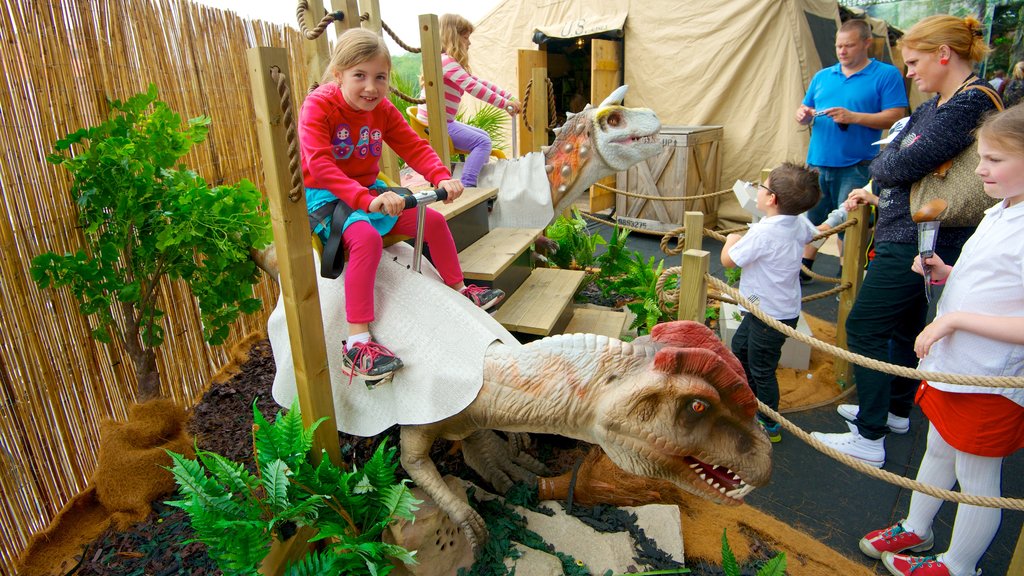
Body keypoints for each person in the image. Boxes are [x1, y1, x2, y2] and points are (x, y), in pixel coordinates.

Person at [811, 15, 1002, 467]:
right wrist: (893, 159)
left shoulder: (966, 105)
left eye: (914, 62)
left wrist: (889, 162)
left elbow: (891, 163)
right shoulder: (941, 102)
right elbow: (898, 150)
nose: (909, 73)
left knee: (865, 327)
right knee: (902, 326)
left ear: (944, 55)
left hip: (919, 236)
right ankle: (894, 408)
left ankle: (868, 436)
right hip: (913, 231)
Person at [858, 104, 1024, 576]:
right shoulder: (1001, 210)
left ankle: (960, 563)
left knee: (976, 478)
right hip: (957, 367)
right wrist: (948, 274)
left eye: (995, 160)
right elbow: (995, 284)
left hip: (989, 377)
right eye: (982, 157)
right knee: (938, 449)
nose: (980, 168)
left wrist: (952, 321)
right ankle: (918, 525)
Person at [299, 28, 504, 381]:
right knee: (365, 239)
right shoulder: (319, 105)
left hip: (369, 191)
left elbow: (413, 145)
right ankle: (357, 342)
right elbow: (320, 164)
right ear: (338, 75)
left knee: (434, 222)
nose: (371, 87)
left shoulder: (381, 108)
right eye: (359, 76)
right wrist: (367, 199)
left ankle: (460, 289)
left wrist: (440, 176)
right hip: (327, 194)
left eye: (380, 77)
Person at [795, 18, 908, 283]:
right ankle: (803, 267)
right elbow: (805, 111)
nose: (842, 51)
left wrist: (853, 117)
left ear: (867, 43)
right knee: (814, 217)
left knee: (850, 222)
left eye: (849, 45)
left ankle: (847, 277)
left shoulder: (886, 74)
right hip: (818, 161)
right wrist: (803, 115)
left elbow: (896, 117)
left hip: (857, 163)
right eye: (838, 46)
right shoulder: (823, 76)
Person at [721, 163, 821, 442]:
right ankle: (750, 402)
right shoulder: (797, 221)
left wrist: (730, 239)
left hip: (768, 313)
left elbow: (729, 260)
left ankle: (769, 421)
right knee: (741, 348)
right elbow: (812, 234)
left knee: (762, 368)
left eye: (761, 187)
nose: (758, 191)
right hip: (770, 308)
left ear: (771, 199)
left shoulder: (763, 233)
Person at [416, 13, 520, 187]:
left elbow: (479, 82)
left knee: (484, 136)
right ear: (453, 38)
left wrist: (507, 96)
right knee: (483, 142)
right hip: (435, 125)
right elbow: (473, 87)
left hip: (444, 122)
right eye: (466, 38)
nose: (469, 43)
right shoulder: (445, 61)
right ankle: (468, 184)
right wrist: (504, 104)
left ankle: (478, 178)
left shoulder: (447, 62)